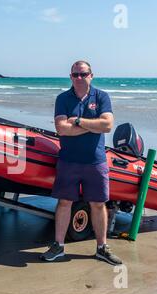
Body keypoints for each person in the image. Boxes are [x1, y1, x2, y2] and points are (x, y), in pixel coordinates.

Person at [40, 60, 122, 266]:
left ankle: (102, 248)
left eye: (83, 74)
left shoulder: (101, 96)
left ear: (91, 76)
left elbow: (108, 125)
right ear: (70, 77)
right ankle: (58, 246)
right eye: (75, 75)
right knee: (64, 202)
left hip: (96, 161)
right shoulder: (63, 98)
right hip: (69, 161)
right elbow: (61, 129)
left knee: (98, 203)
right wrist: (93, 126)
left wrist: (77, 121)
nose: (79, 78)